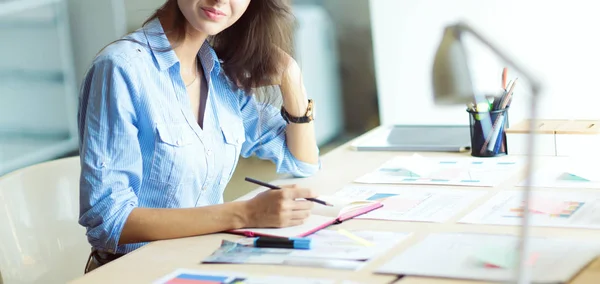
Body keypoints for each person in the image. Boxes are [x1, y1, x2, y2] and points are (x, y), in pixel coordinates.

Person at [78, 0, 320, 272]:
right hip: (138, 272)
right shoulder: (121, 69)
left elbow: (301, 162)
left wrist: (291, 77)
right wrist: (245, 213)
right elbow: (109, 222)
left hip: (205, 263)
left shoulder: (219, 74)